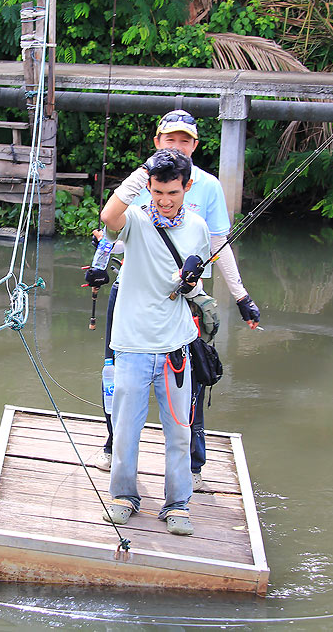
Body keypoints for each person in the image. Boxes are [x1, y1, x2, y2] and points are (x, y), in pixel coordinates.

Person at [84, 110, 261, 491]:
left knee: (193, 383)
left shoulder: (208, 190)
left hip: (181, 303)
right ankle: (115, 448)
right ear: (156, 143)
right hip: (133, 297)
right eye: (170, 138)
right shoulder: (140, 189)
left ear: (195, 147)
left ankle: (189, 472)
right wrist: (103, 260)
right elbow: (114, 228)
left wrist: (239, 295)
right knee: (116, 377)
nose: (176, 145)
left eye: (184, 140)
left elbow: (215, 245)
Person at [98, 147, 210, 536]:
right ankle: (123, 496)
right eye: (157, 191)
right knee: (126, 428)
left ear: (187, 188)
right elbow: (108, 217)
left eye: (173, 193)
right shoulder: (135, 221)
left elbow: (196, 286)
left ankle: (177, 503)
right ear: (149, 187)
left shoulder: (198, 227)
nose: (164, 201)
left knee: (179, 431)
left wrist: (192, 281)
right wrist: (144, 168)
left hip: (176, 347)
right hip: (130, 344)